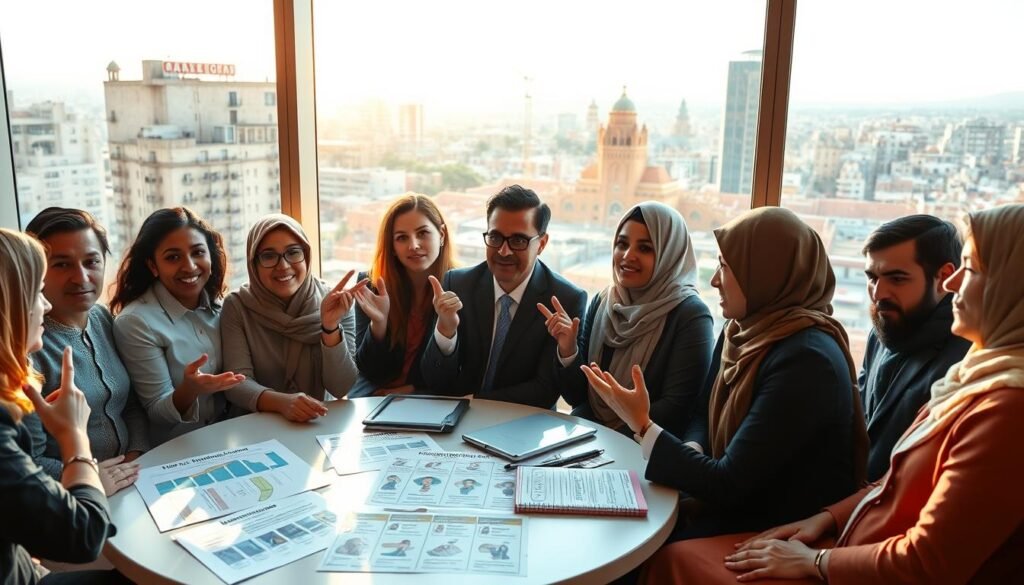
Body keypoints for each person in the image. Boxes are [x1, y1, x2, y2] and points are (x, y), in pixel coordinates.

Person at [641, 203, 1024, 584]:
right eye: (872, 277)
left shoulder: (1005, 411)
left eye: (970, 268)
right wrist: (826, 517)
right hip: (846, 529)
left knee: (671, 557)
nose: (952, 283)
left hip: (857, 553)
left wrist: (817, 561)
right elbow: (892, 484)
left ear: (1012, 287)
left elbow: (928, 561)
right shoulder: (970, 375)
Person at [584, 207, 868, 539]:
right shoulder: (741, 329)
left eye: (725, 266)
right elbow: (703, 413)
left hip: (770, 526)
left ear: (764, 273)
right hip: (724, 497)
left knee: (630, 540)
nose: (715, 280)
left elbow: (730, 483)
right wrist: (694, 447)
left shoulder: (807, 360)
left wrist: (644, 426)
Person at [0, 228, 123, 584]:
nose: (47, 305)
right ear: (9, 306)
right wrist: (75, 439)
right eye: (38, 292)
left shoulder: (102, 319)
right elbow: (84, 536)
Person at [542, 202, 714, 436]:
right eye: (621, 244)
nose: (627, 255)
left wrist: (609, 440)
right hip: (589, 437)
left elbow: (677, 409)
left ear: (668, 254)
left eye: (645, 248)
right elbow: (578, 397)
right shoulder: (605, 301)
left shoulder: (691, 316)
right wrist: (568, 351)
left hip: (644, 448)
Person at [420, 185, 587, 408]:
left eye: (518, 241)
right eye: (495, 237)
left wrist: (568, 353)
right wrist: (445, 332)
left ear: (542, 244)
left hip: (521, 427)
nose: (503, 251)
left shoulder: (565, 299)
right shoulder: (457, 284)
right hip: (456, 422)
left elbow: (548, 392)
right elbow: (435, 382)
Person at [21, 208, 148, 496]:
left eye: (91, 262)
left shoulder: (104, 319)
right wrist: (88, 476)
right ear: (36, 271)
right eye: (62, 265)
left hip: (131, 481)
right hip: (72, 497)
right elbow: (27, 459)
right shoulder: (30, 348)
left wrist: (136, 454)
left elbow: (130, 403)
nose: (81, 278)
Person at [111, 208, 245, 445]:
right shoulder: (135, 322)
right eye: (173, 257)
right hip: (175, 453)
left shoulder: (225, 307)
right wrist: (189, 389)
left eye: (198, 253)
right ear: (153, 266)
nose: (190, 266)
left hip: (229, 440)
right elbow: (156, 411)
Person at [859, 215, 971, 480]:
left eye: (896, 279)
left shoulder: (964, 358)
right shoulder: (882, 332)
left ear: (945, 277)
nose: (878, 294)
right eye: (872, 278)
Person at [220, 215, 362, 421]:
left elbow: (341, 387)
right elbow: (237, 383)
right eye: (269, 256)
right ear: (253, 263)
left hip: (319, 425)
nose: (283, 266)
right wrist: (282, 403)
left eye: (293, 252)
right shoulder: (237, 306)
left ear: (306, 256)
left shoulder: (335, 304)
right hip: (256, 427)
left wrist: (330, 327)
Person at [351, 193, 456, 396]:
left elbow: (459, 368)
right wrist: (378, 325)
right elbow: (367, 369)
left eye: (423, 233)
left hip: (429, 393)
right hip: (376, 391)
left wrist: (411, 389)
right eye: (402, 238)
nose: (413, 245)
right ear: (392, 246)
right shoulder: (372, 284)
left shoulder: (461, 285)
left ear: (441, 234)